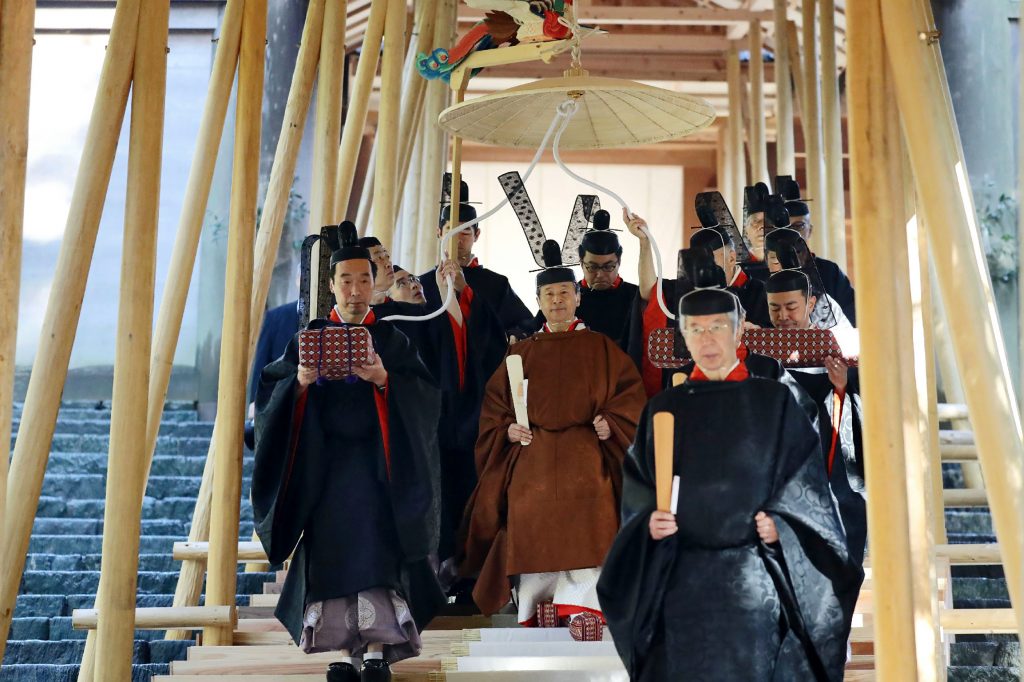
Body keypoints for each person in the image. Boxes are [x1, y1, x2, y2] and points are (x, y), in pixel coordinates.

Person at [598, 285, 863, 681]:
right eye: (696, 329)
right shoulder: (664, 409)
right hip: (683, 578)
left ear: (739, 332)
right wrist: (647, 524)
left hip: (755, 577)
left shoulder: (774, 401)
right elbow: (640, 488)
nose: (707, 339)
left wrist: (784, 525)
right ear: (684, 336)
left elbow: (806, 485)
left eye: (718, 327)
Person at [252, 231, 445, 682]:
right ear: (333, 286)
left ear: (374, 281)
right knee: (332, 559)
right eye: (346, 281)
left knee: (378, 556)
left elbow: (425, 400)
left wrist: (384, 381)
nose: (356, 291)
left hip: (379, 471)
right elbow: (268, 396)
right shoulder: (310, 338)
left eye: (364, 280)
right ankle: (340, 652)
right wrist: (298, 385)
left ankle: (376, 648)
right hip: (327, 471)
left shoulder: (392, 339)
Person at [459, 242, 645, 636]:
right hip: (534, 454)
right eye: (549, 295)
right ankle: (537, 604)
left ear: (578, 296)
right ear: (538, 301)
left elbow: (630, 396)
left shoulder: (601, 347)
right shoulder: (521, 353)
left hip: (586, 452)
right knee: (528, 509)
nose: (557, 301)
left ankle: (582, 608)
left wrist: (611, 421)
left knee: (593, 512)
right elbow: (495, 407)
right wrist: (507, 429)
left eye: (564, 293)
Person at [375, 254, 507, 596]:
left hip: (451, 429)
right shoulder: (384, 325)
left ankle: (463, 576)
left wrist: (458, 295)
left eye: (415, 280)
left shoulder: (430, 319)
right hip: (411, 436)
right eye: (403, 282)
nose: (415, 285)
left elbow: (467, 355)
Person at [766, 268, 866, 564]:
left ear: (810, 304)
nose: (783, 315)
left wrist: (841, 388)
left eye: (791, 306)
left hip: (828, 460)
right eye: (775, 307)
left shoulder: (840, 345)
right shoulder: (762, 349)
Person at [419, 181, 535, 340]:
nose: (457, 240)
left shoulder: (496, 284)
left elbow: (525, 324)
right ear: (439, 233)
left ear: (477, 235)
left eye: (465, 231)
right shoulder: (422, 284)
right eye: (450, 231)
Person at [532, 210, 640, 349]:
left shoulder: (635, 296)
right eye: (592, 267)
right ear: (581, 261)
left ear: (619, 261)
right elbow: (535, 331)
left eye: (608, 267)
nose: (600, 274)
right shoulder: (568, 297)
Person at [776, 175, 857, 324]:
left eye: (798, 226)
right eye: (785, 227)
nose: (791, 233)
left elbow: (853, 317)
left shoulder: (829, 271)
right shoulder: (765, 271)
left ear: (810, 231)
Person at [764, 228, 859, 355]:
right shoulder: (758, 291)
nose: (783, 266)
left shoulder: (822, 301)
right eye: (775, 260)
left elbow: (845, 348)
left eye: (791, 307)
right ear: (766, 260)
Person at [689, 225, 771, 327]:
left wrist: (757, 332)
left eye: (710, 262)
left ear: (731, 258)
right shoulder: (691, 296)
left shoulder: (763, 292)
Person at [358, 237, 396, 305]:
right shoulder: (352, 313)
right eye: (379, 258)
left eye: (387, 257)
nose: (388, 264)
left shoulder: (402, 309)